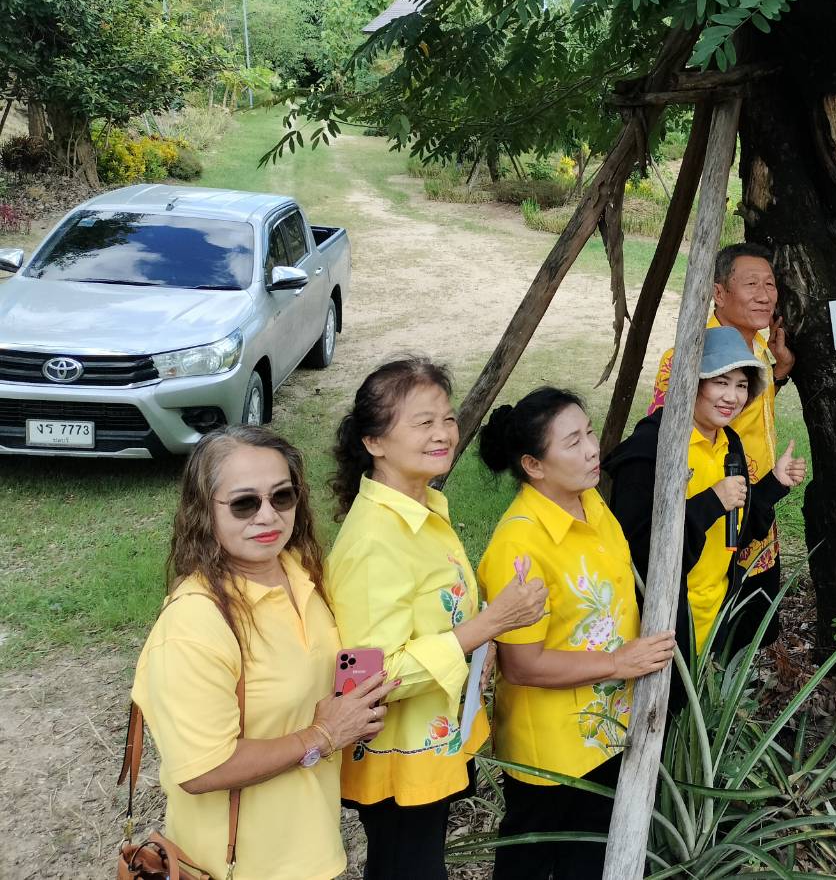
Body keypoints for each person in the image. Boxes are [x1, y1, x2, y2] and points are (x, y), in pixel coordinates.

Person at [131, 426, 391, 880]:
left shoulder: (302, 574)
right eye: (244, 503)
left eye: (282, 497)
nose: (268, 516)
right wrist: (323, 734)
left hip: (313, 851)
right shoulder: (194, 624)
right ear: (202, 510)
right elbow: (202, 768)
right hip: (237, 867)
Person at [327, 358, 548, 880]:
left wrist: (482, 640)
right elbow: (372, 676)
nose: (443, 433)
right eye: (422, 422)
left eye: (447, 419)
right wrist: (489, 625)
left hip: (430, 740)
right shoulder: (374, 541)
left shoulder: (422, 508)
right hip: (398, 753)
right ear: (374, 442)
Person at [476, 387, 678, 879]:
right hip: (551, 750)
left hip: (608, 729)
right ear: (533, 465)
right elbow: (522, 664)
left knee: (588, 859)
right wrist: (618, 663)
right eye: (572, 442)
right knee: (533, 863)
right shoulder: (519, 544)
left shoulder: (590, 504)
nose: (592, 448)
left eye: (589, 432)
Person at [610, 326, 807, 665]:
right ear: (691, 382)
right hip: (662, 627)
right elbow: (638, 552)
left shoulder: (728, 444)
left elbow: (736, 531)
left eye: (742, 385)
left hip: (712, 617)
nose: (732, 397)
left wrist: (775, 483)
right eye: (720, 382)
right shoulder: (652, 451)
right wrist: (710, 502)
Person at [649, 243, 796, 649]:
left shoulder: (761, 352)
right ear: (718, 293)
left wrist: (780, 371)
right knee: (703, 634)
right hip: (707, 516)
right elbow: (663, 436)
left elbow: (745, 409)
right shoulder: (687, 358)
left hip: (756, 511)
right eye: (751, 284)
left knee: (748, 633)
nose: (765, 295)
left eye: (770, 284)